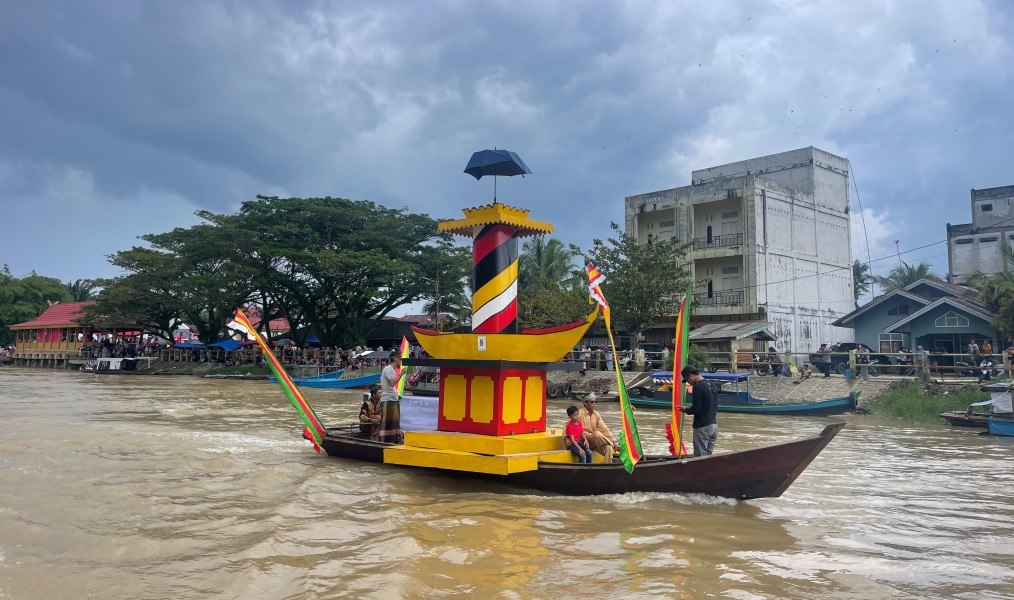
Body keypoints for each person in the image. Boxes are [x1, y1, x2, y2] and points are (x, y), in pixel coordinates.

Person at [679, 365, 718, 456]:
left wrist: (686, 409)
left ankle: (701, 470)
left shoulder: (698, 386)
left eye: (687, 380)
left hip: (702, 427)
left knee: (700, 457)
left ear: (691, 376)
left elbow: (697, 409)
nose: (689, 383)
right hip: (714, 426)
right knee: (709, 456)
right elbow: (714, 406)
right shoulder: (711, 384)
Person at [578, 393, 618, 463]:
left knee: (608, 447)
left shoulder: (596, 414)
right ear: (585, 403)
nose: (594, 404)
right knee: (597, 434)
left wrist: (614, 441)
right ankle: (617, 448)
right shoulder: (579, 413)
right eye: (592, 402)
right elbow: (567, 426)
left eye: (595, 402)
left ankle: (607, 466)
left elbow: (604, 429)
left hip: (594, 442)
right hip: (584, 440)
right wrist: (565, 437)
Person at [377, 351, 405, 443]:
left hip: (392, 398)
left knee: (394, 421)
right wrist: (401, 374)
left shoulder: (392, 370)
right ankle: (385, 440)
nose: (401, 361)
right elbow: (392, 382)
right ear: (396, 359)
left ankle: (393, 439)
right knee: (387, 421)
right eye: (400, 359)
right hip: (388, 399)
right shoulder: (388, 369)